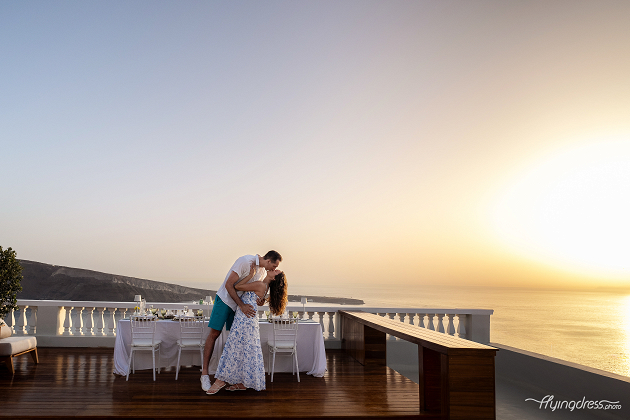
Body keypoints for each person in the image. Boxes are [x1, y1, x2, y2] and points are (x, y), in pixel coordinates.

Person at [200, 251, 282, 392]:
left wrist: (258, 301)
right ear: (269, 260)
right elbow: (229, 284)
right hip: (226, 301)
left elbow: (253, 292)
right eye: (274, 266)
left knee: (237, 343)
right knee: (214, 334)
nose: (274, 270)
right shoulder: (245, 261)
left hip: (240, 309)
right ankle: (205, 375)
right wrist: (242, 305)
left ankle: (237, 379)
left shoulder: (262, 272)